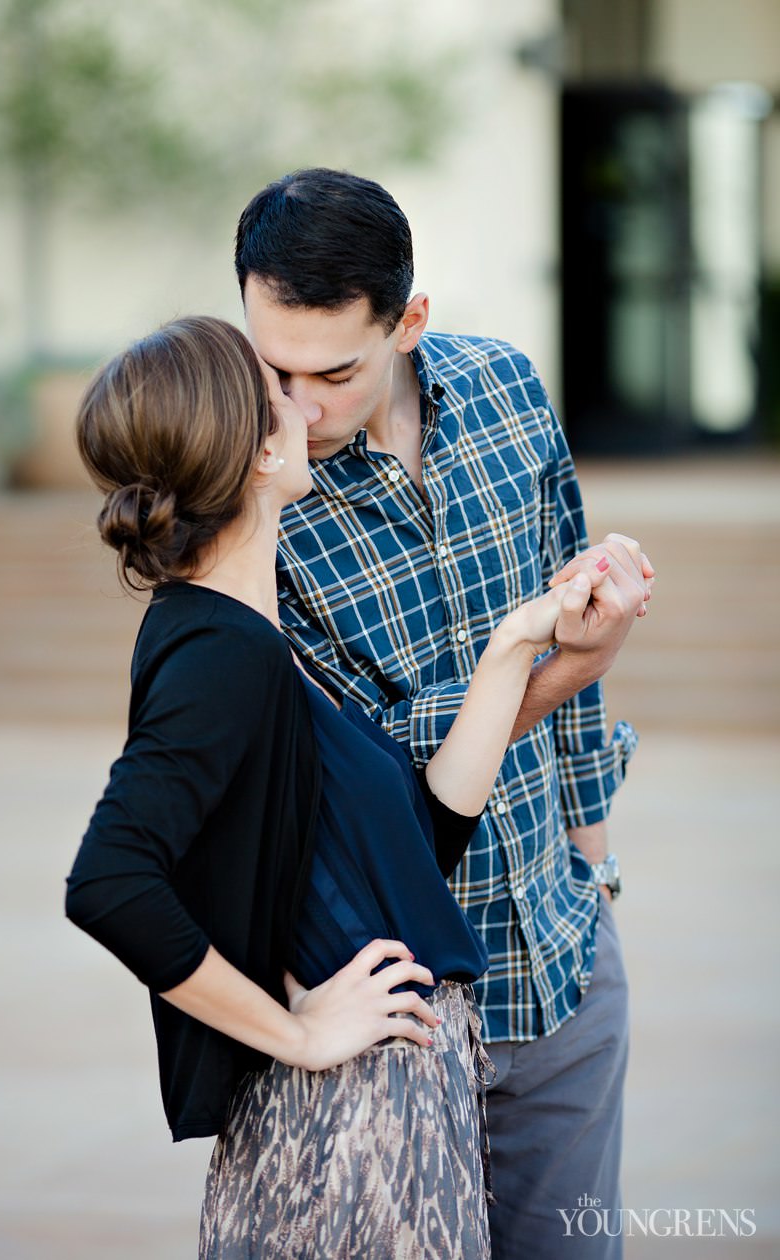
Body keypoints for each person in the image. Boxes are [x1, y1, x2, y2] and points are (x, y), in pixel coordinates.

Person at [64, 316, 610, 1259]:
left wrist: (519, 643)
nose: (306, 403)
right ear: (260, 450)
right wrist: (298, 1032)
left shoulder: (251, 639)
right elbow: (109, 882)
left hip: (391, 1108)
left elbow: (414, 849)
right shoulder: (215, 654)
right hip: (347, 1133)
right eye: (279, 387)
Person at [234, 167, 654, 1260]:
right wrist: (561, 657)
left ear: (410, 320)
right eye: (273, 365)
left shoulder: (508, 389)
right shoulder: (249, 498)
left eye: (334, 371)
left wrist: (595, 878)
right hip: (394, 1023)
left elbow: (578, 661)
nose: (298, 408)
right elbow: (369, 774)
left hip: (563, 961)